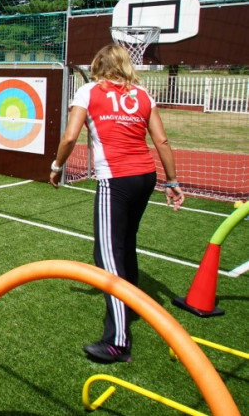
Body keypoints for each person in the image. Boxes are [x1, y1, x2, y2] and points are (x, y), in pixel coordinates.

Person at [49, 44, 184, 363]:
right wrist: (172, 181)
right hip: (145, 177)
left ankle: (118, 341)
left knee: (107, 255)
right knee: (125, 244)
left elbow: (69, 137)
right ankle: (130, 303)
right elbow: (161, 140)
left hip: (116, 179)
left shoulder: (88, 91)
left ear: (98, 65)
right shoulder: (142, 94)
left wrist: (56, 166)